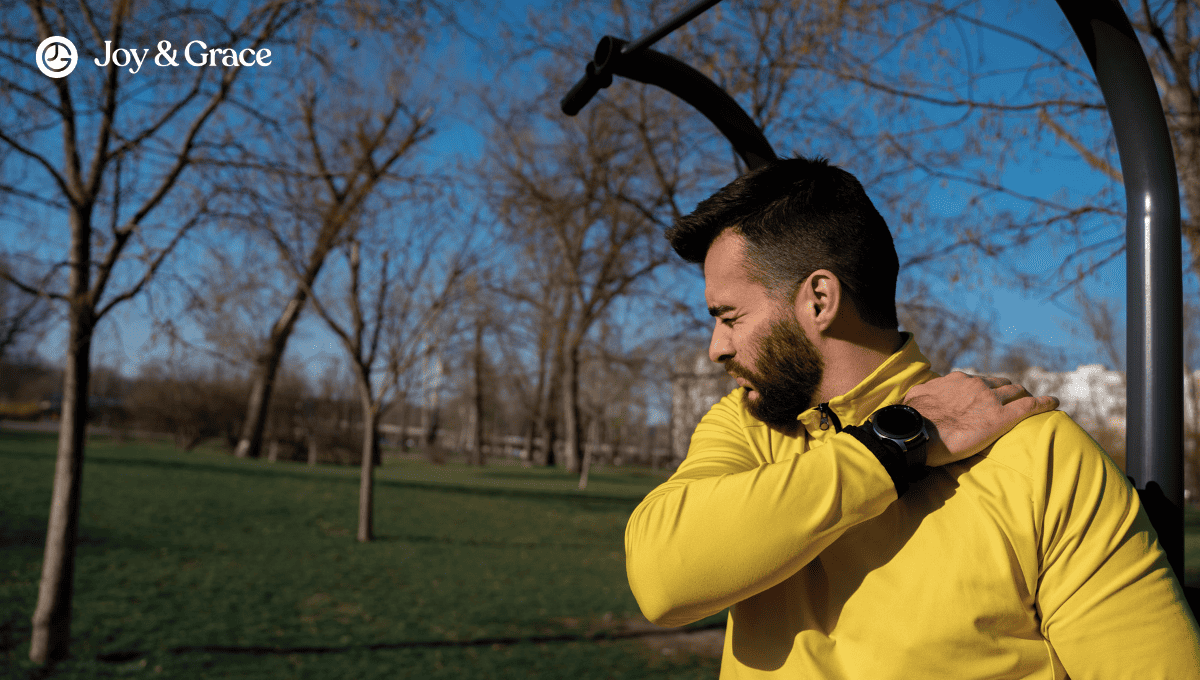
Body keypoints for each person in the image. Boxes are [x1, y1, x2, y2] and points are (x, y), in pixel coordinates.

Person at [625, 156, 1200, 678]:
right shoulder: (750, 426)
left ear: (818, 301)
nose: (716, 349)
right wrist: (891, 445)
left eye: (729, 317)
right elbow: (662, 579)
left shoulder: (1038, 454)